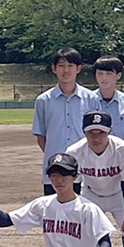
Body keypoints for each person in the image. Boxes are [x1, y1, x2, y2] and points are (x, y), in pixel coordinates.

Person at [65, 110, 124, 235]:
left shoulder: (123, 149)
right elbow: (75, 186)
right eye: (91, 132)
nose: (96, 137)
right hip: (90, 194)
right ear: (84, 131)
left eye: (101, 132)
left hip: (119, 195)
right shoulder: (74, 152)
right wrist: (75, 214)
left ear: (110, 131)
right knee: (85, 234)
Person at [32, 47, 93, 194]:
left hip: (83, 169)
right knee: (54, 212)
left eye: (70, 66)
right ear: (54, 69)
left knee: (82, 213)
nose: (66, 70)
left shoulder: (91, 99)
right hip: (54, 169)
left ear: (78, 69)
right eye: (61, 66)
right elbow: (41, 136)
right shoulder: (43, 100)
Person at [87, 55, 124, 140]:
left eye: (109, 74)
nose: (104, 78)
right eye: (100, 73)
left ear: (118, 75)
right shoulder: (86, 101)